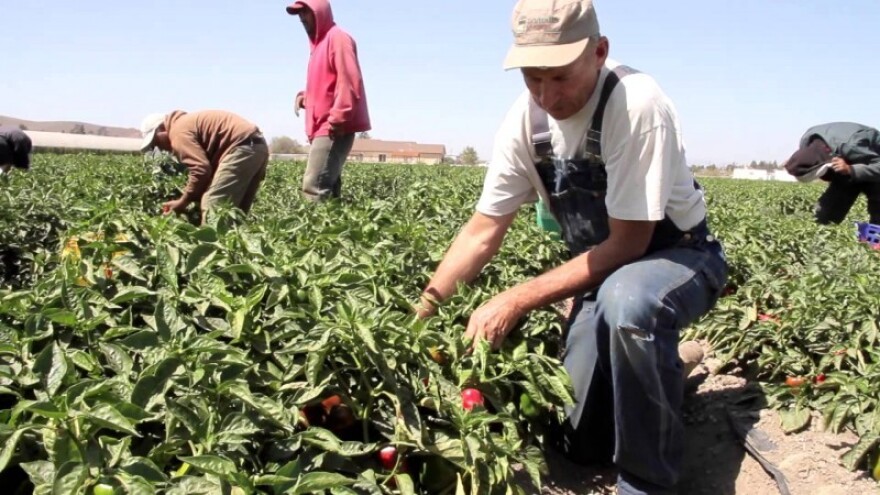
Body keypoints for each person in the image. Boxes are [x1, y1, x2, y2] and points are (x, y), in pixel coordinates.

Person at [414, 0, 727, 493]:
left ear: (599, 52)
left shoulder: (635, 103)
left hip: (677, 258)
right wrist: (424, 310)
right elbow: (482, 230)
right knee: (575, 439)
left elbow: (629, 244)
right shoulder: (526, 123)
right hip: (603, 273)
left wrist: (515, 298)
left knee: (630, 302)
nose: (546, 95)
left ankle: (647, 480)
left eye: (559, 76)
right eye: (532, 78)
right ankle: (673, 368)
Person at [286, 0, 371, 201]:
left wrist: (337, 119)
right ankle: (336, 230)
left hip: (333, 126)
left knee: (313, 187)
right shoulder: (319, 46)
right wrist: (306, 97)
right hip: (325, 126)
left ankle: (312, 233)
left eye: (306, 12)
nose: (302, 18)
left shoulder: (337, 38)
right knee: (329, 190)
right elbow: (326, 86)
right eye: (299, 14)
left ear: (319, 13)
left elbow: (348, 80)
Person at [139, 110, 269, 222]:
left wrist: (183, 201)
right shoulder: (187, 123)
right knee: (236, 211)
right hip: (257, 146)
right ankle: (235, 249)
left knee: (212, 203)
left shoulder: (178, 133)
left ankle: (212, 249)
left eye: (156, 142)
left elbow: (201, 170)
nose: (160, 148)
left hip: (242, 147)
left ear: (162, 129)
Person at [783, 122, 880, 225]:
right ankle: (822, 230)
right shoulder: (806, 141)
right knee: (826, 213)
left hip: (874, 162)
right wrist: (792, 163)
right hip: (847, 161)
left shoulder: (851, 145)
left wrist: (850, 169)